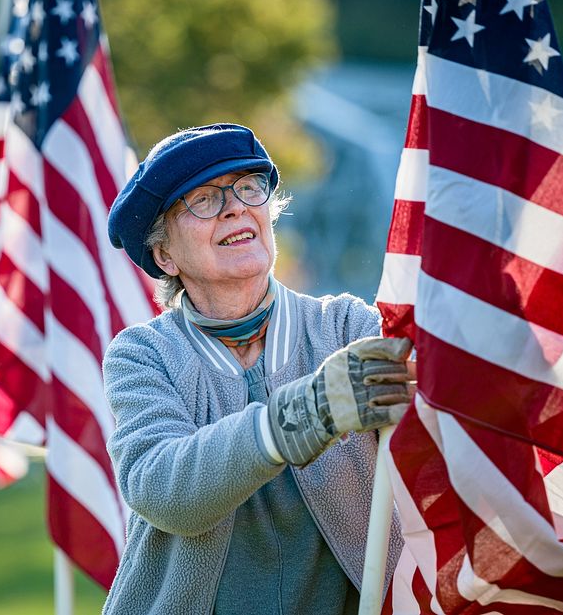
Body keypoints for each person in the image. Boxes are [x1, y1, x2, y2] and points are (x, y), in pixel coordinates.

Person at [103, 123, 414, 614]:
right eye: (202, 199)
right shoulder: (143, 354)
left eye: (248, 188)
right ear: (164, 255)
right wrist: (310, 411)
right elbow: (163, 490)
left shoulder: (350, 326)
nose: (235, 206)